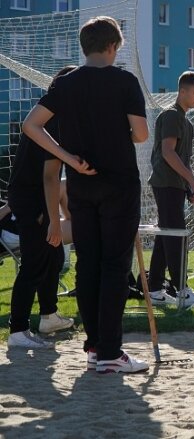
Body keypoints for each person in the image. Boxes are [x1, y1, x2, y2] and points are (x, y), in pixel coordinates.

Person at [23, 16, 150, 373]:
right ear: (112, 47)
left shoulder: (66, 83)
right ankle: (109, 351)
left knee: (88, 264)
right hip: (118, 183)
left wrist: (68, 159)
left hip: (81, 183)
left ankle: (95, 347)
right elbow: (140, 134)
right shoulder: (125, 81)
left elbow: (30, 125)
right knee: (114, 267)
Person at [6, 66, 77, 350]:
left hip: (32, 196)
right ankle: (18, 329)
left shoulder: (56, 117)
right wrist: (54, 220)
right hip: (30, 199)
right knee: (35, 263)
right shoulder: (52, 121)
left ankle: (48, 316)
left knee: (52, 257)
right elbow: (50, 177)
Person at [147, 71, 194, 308]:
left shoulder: (187, 122)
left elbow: (183, 159)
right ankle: (182, 291)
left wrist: (189, 187)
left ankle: (154, 290)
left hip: (175, 186)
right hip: (164, 184)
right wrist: (192, 180)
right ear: (182, 91)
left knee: (166, 236)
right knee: (175, 237)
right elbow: (167, 152)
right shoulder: (171, 115)